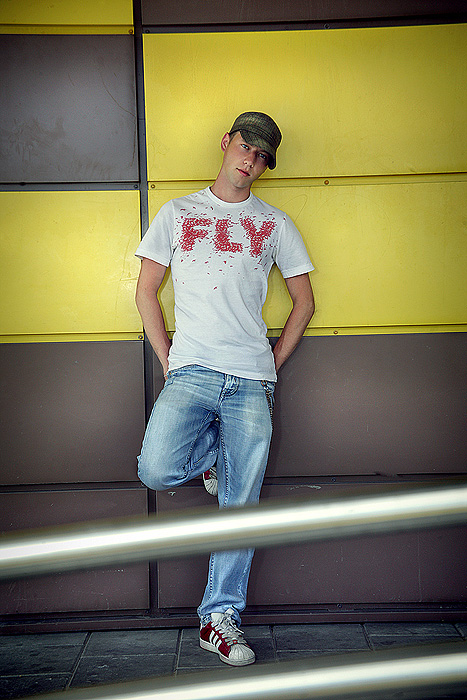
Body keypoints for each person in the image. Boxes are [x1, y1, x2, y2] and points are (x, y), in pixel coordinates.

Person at [135, 112, 315, 666]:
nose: (250, 161)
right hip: (190, 371)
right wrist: (169, 361)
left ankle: (219, 619)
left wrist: (271, 366)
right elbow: (145, 292)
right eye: (245, 147)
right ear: (226, 143)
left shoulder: (275, 223)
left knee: (241, 503)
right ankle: (215, 459)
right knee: (156, 469)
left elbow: (304, 303)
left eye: (262, 157)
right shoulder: (177, 212)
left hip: (251, 380)